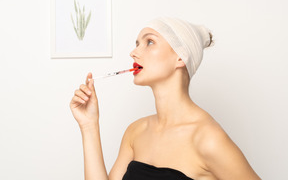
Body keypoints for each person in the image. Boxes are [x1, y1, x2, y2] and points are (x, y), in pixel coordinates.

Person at [70, 17, 261, 180]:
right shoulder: (135, 132)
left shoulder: (207, 138)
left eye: (149, 42)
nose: (133, 52)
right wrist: (89, 125)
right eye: (136, 44)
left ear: (180, 57)